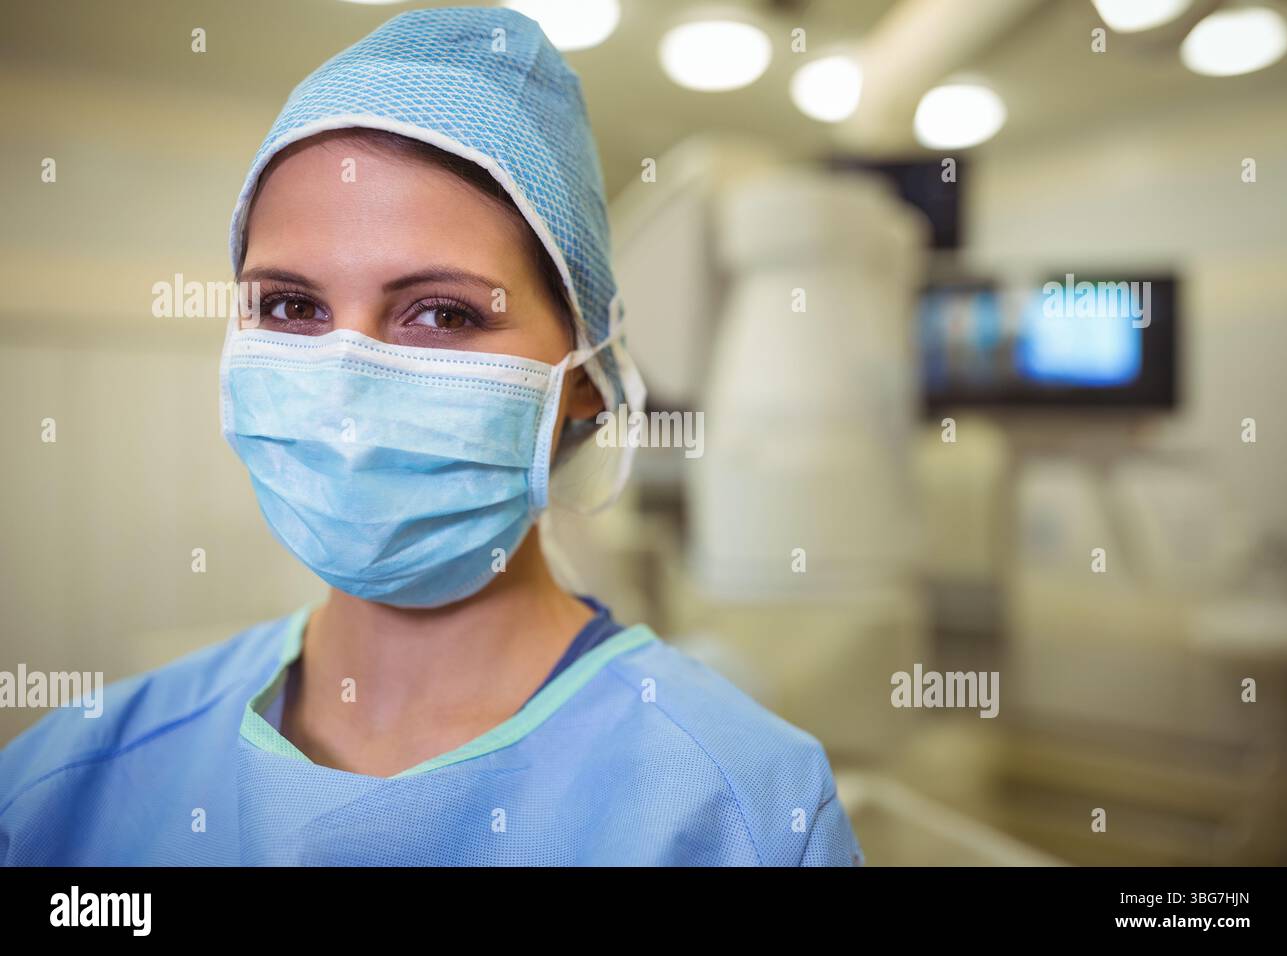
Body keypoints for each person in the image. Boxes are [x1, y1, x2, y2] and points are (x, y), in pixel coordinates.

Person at [0, 7, 862, 866]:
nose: (344, 378)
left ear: (585, 380)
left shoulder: (745, 813)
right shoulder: (63, 788)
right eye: (292, 306)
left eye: (442, 313)